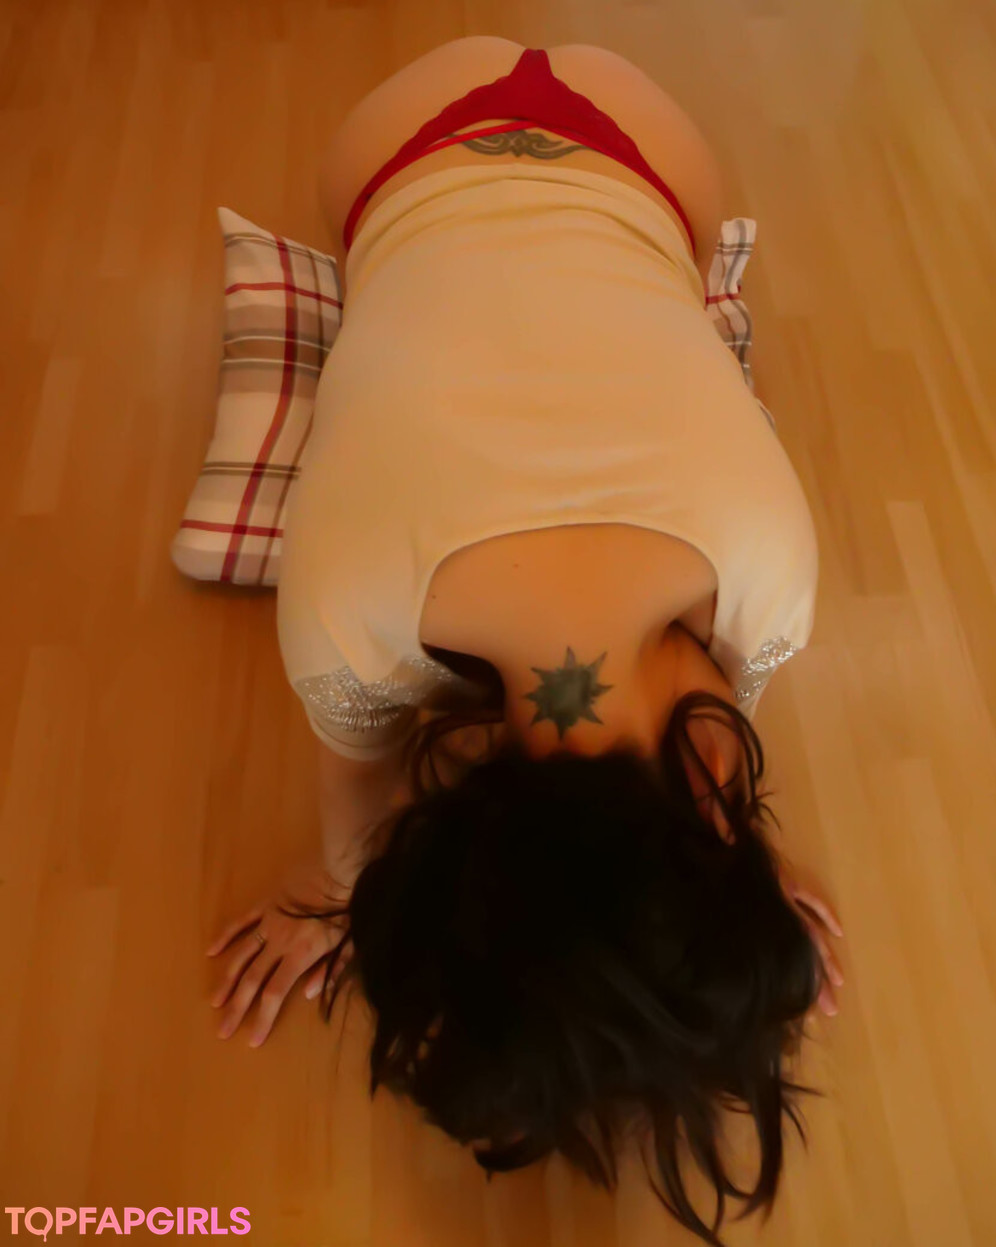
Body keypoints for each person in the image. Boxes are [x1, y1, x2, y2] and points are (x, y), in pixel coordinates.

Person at [207, 37, 844, 1247]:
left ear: (714, 786)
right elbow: (356, 809)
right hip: (399, 152)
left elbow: (712, 724)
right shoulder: (346, 615)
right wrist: (332, 893)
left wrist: (727, 880)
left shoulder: (770, 578)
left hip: (636, 144)